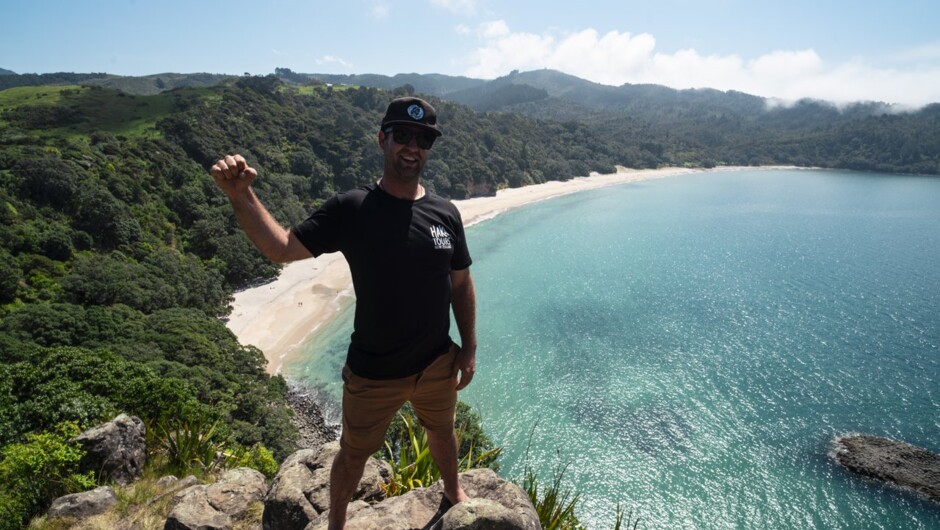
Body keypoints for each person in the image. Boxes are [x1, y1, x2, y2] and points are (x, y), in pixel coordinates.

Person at [211, 97, 476, 529]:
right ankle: (335, 523)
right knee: (354, 452)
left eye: (423, 138)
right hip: (374, 372)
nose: (412, 146)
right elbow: (280, 248)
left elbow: (461, 283)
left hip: (437, 362)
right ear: (382, 140)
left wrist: (469, 347)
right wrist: (241, 196)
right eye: (402, 136)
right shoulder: (353, 208)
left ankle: (454, 492)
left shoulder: (445, 213)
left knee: (442, 431)